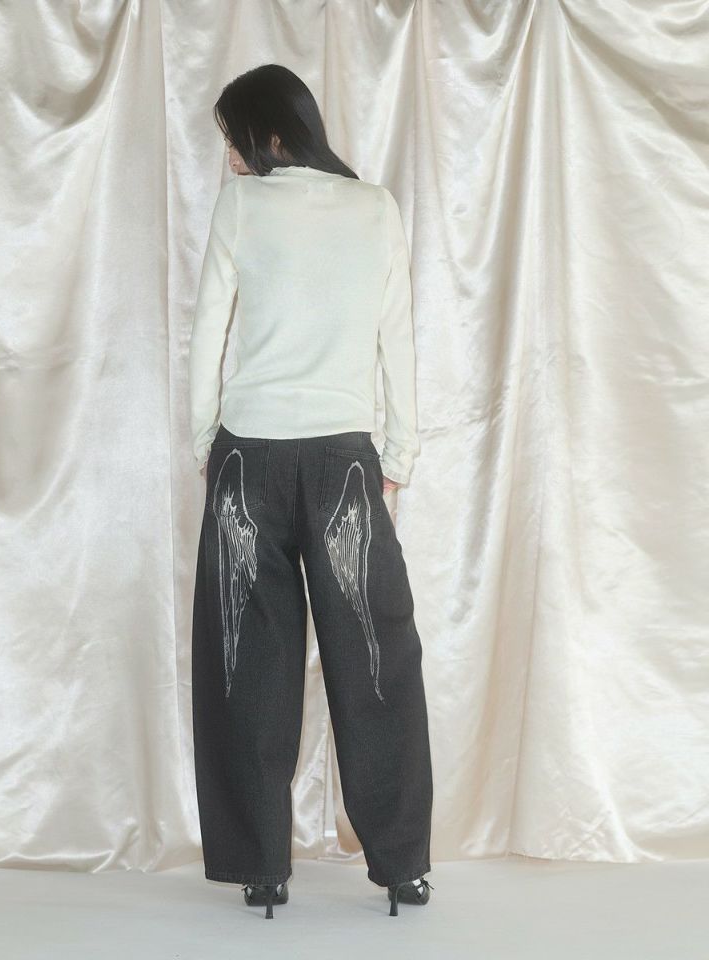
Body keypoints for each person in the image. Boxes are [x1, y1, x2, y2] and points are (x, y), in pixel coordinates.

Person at [188, 63, 434, 919]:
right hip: (346, 466)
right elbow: (397, 336)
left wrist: (204, 443)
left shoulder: (242, 208)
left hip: (246, 463)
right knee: (377, 662)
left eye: (233, 139)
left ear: (270, 133)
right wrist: (399, 450)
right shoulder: (376, 208)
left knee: (246, 664)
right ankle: (402, 866)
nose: (230, 157)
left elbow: (207, 333)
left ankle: (260, 866)